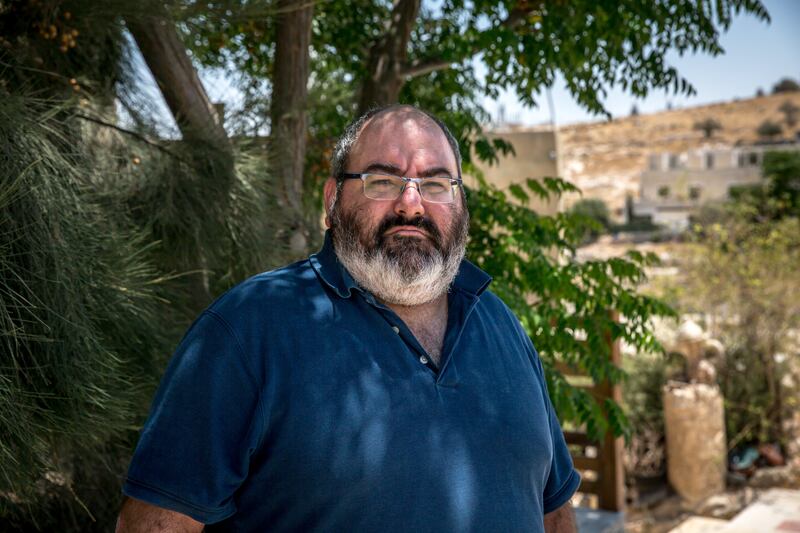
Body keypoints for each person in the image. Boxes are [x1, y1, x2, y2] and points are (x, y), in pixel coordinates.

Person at [116, 105, 580, 532]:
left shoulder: (501, 325)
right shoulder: (249, 330)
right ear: (332, 201)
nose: (411, 204)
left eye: (436, 184)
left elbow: (554, 509)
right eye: (382, 181)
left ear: (461, 205)